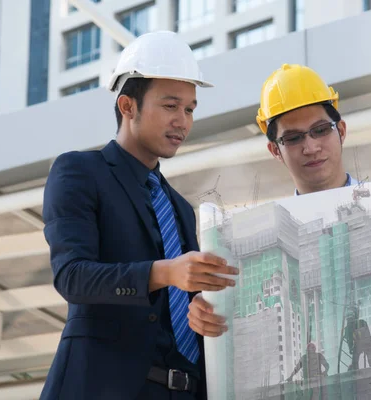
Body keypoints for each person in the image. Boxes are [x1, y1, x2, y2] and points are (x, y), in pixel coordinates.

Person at [188, 64, 371, 337]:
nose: (311, 147)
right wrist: (207, 313)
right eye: (294, 138)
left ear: (341, 131)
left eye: (321, 130)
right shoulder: (266, 240)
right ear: (275, 151)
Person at [40, 31, 238, 400]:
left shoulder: (178, 206)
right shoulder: (79, 172)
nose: (183, 121)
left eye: (190, 109)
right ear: (128, 106)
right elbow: (72, 277)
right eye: (170, 106)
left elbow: (185, 305)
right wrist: (164, 272)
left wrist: (202, 314)